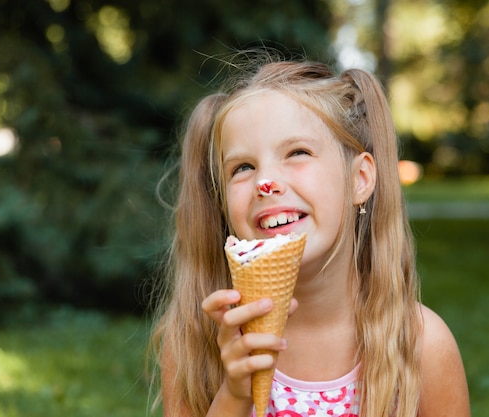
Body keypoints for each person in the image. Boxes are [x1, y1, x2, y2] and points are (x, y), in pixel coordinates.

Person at [150, 53, 470, 417]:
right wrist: (235, 394)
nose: (265, 183)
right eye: (243, 167)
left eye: (297, 152)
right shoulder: (199, 343)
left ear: (359, 179)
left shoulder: (421, 344)